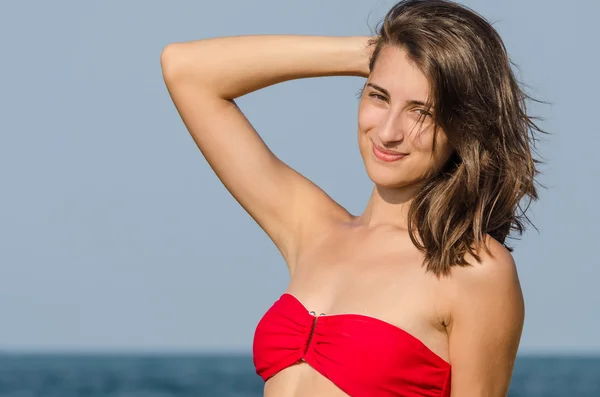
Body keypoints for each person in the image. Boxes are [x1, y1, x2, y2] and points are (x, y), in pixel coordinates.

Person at [160, 0, 542, 395]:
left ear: (463, 126)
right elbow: (186, 69)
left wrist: (389, 63)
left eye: (421, 112)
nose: (389, 131)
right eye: (378, 96)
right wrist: (373, 53)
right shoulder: (311, 229)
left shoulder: (474, 270)